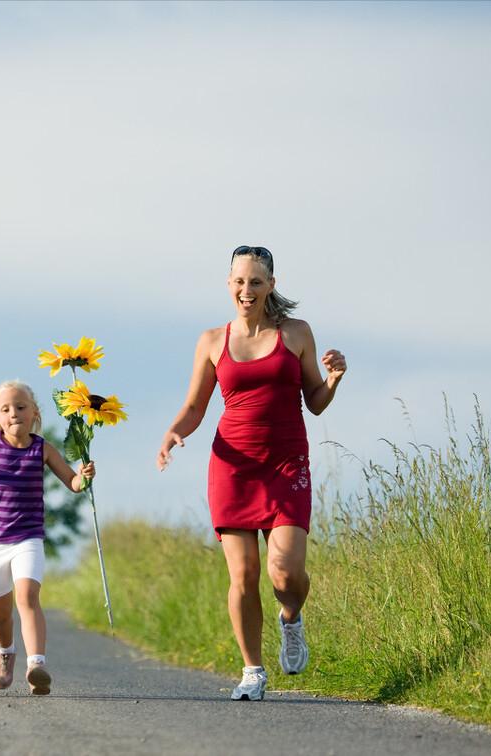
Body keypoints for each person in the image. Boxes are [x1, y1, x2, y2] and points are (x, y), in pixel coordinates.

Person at [156, 245, 347, 701]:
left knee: (286, 573)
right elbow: (194, 407)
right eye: (240, 282)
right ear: (229, 285)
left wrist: (334, 380)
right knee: (243, 575)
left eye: (256, 282)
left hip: (286, 464)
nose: (247, 290)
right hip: (233, 467)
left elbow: (314, 402)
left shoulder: (297, 333)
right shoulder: (211, 341)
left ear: (270, 286)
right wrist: (172, 434)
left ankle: (291, 618)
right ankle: (252, 671)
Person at [0, 380, 96, 695]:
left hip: (28, 538)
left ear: (34, 413)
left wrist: (84, 476)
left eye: (21, 407)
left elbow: (72, 483)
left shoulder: (43, 449)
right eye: (6, 409)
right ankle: (6, 651)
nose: (14, 414)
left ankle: (36, 664)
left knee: (27, 597)